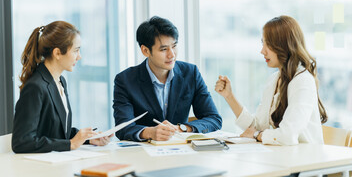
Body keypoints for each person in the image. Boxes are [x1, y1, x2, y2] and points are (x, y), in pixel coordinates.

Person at [215, 15, 328, 145]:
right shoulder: (274, 79)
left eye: (268, 45)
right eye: (263, 43)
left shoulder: (303, 81)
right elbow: (257, 126)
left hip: (307, 162)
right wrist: (229, 96)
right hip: (284, 157)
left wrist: (257, 135)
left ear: (285, 45)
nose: (262, 51)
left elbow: (287, 135)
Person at [113, 16, 222, 141]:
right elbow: (122, 128)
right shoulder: (125, 80)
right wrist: (150, 132)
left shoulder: (190, 73)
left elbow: (214, 119)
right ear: (145, 51)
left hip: (180, 151)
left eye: (174, 46)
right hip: (143, 154)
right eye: (164, 49)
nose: (172, 54)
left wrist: (182, 128)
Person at [12, 21, 111, 153]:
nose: (79, 57)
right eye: (76, 50)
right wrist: (71, 144)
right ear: (57, 53)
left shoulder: (60, 81)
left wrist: (89, 139)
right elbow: (22, 142)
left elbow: (56, 131)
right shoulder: (35, 87)